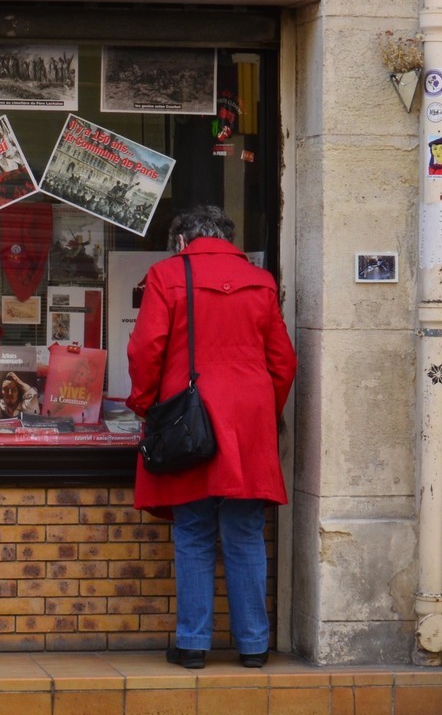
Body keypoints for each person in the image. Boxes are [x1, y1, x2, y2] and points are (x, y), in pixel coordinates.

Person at [126, 205, 296, 671]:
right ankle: (254, 645)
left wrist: (145, 403)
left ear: (181, 240)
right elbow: (283, 361)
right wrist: (266, 410)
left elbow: (146, 349)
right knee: (244, 532)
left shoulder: (166, 275)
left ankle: (194, 643)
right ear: (227, 236)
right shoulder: (260, 281)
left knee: (194, 530)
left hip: (190, 416)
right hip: (249, 419)